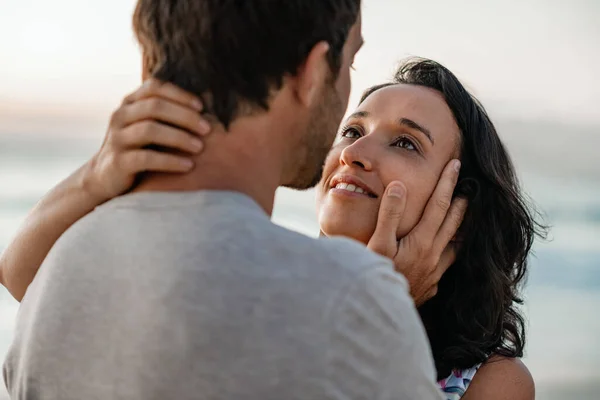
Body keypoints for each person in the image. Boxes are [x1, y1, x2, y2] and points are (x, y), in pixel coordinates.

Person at [2, 57, 543, 400]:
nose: (353, 153)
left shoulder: (494, 383)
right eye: (352, 130)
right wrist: (100, 172)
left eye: (405, 143)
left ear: (461, 210)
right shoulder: (264, 283)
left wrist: (383, 306)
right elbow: (30, 277)